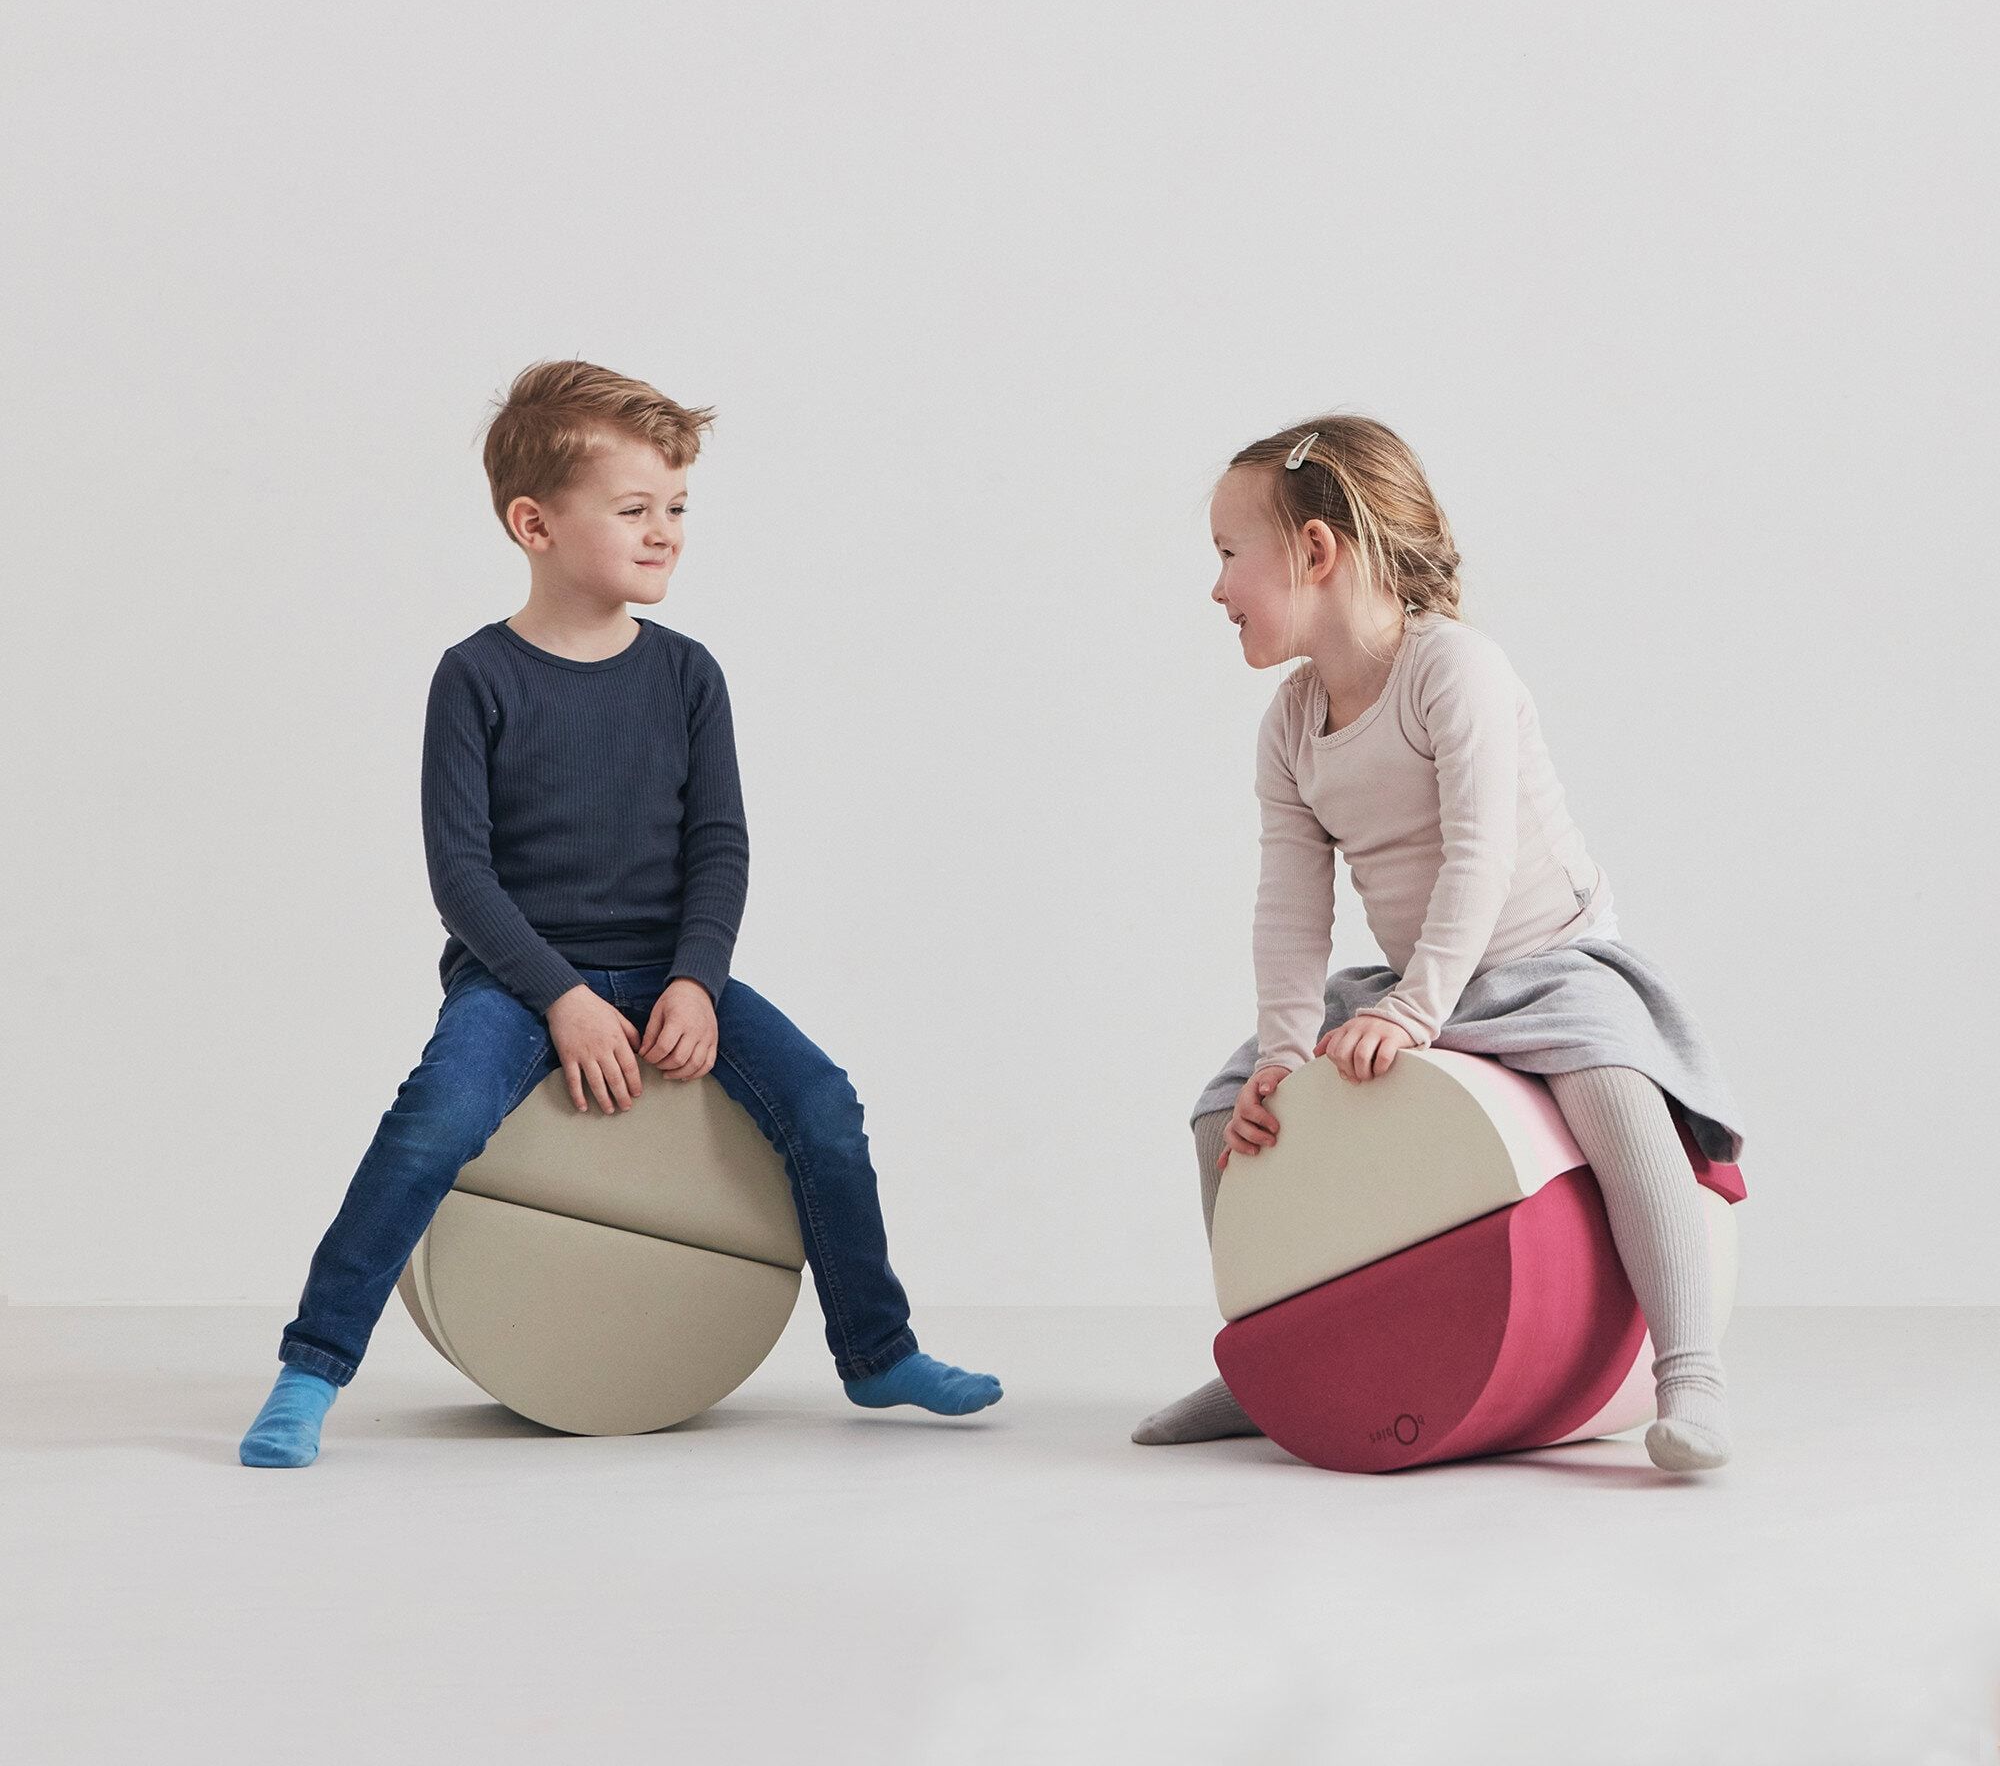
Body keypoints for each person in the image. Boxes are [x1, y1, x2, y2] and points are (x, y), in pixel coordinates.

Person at [241, 361, 1001, 1466]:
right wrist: (558, 997)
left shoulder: (688, 676)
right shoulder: (476, 676)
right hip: (514, 981)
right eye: (635, 509)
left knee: (823, 1102)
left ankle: (876, 1349)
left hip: (669, 967)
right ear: (533, 522)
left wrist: (694, 977)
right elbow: (460, 874)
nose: (666, 534)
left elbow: (718, 846)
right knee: (433, 1122)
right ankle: (310, 1367)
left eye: (678, 508)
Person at [1132, 417, 1742, 1473]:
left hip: (1541, 956)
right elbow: (1289, 906)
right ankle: (1259, 1358)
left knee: (1610, 1088)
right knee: (1219, 1113)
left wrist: (1411, 1010)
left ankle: (1689, 1367)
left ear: (1316, 552)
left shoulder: (1452, 669)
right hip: (1416, 980)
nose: (1216, 587)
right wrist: (1282, 1052)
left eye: (1230, 555)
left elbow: (1478, 858)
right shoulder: (1289, 724)